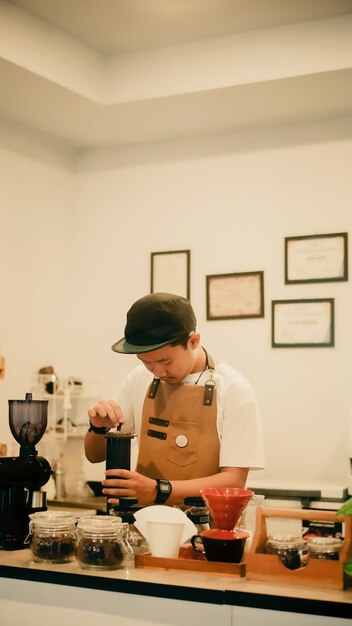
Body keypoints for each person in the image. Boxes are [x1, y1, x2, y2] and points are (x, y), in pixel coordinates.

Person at [85, 292, 265, 507]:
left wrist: (158, 490)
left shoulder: (234, 390)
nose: (157, 372)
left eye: (165, 361)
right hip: (145, 523)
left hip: (206, 529)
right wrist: (98, 429)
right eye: (147, 362)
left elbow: (234, 482)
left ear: (193, 340)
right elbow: (94, 456)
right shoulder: (137, 379)